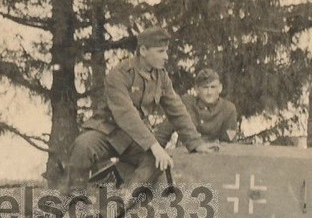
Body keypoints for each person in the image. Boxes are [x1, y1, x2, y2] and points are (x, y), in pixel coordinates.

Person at [63, 27, 216, 192]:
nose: (166, 57)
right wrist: (155, 145)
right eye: (160, 51)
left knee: (157, 162)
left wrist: (195, 143)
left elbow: (176, 109)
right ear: (143, 50)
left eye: (166, 51)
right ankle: (74, 199)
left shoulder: (161, 77)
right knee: (83, 146)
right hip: (107, 132)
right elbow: (126, 114)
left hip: (134, 139)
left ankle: (123, 200)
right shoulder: (120, 74)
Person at [156, 68, 239, 146]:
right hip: (186, 154)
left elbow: (228, 143)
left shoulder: (228, 109)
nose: (209, 92)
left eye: (213, 87)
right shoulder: (186, 103)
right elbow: (163, 132)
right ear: (197, 89)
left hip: (214, 156)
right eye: (205, 87)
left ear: (220, 88)